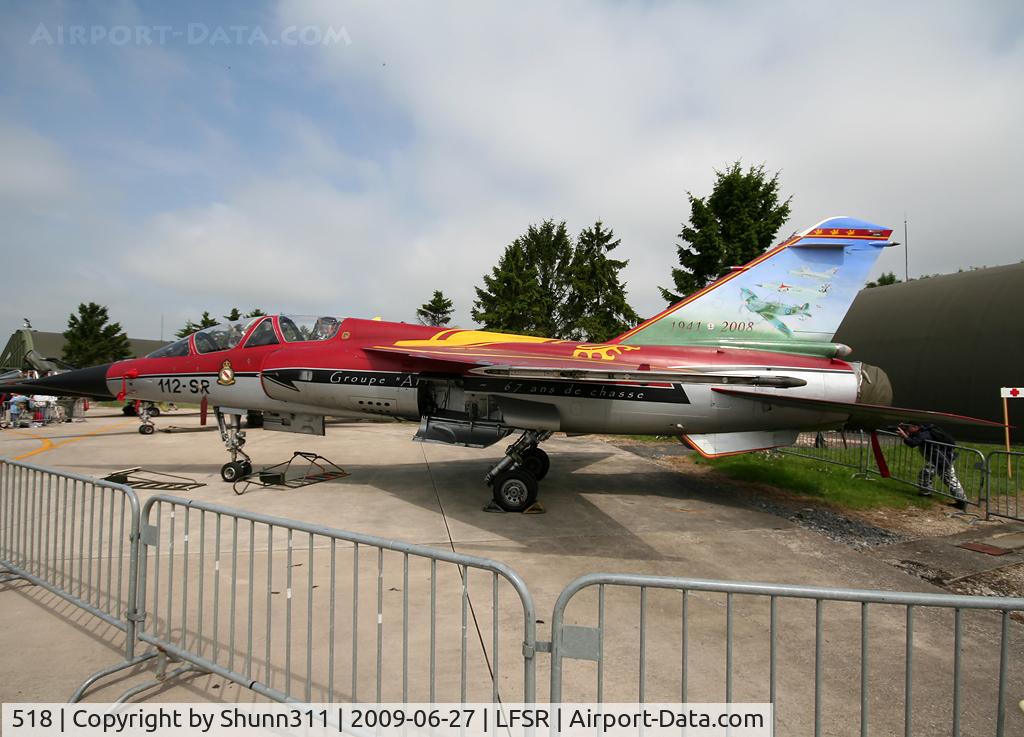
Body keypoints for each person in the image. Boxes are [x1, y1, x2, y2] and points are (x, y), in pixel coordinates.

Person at [896, 423, 967, 509]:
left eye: (908, 427)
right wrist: (906, 433)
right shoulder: (922, 432)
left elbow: (913, 443)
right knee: (926, 474)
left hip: (942, 460)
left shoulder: (924, 434)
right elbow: (915, 439)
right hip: (938, 459)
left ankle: (962, 501)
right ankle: (925, 493)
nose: (907, 429)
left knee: (949, 479)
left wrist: (905, 436)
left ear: (916, 427)